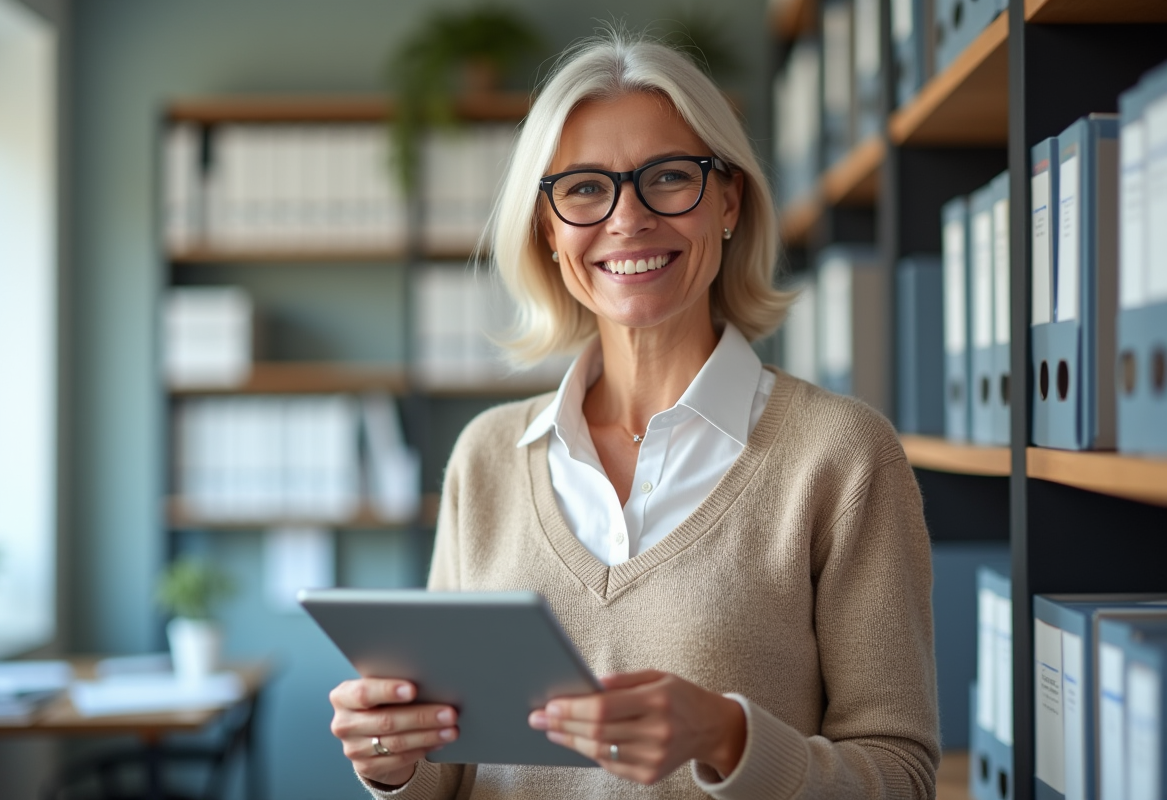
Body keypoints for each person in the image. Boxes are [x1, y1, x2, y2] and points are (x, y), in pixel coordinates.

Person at [329, 32, 940, 800]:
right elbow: (453, 772)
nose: (628, 219)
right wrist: (396, 764)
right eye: (585, 188)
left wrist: (730, 738)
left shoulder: (842, 457)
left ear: (728, 200)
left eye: (669, 177)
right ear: (548, 230)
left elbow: (903, 778)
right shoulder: (485, 456)